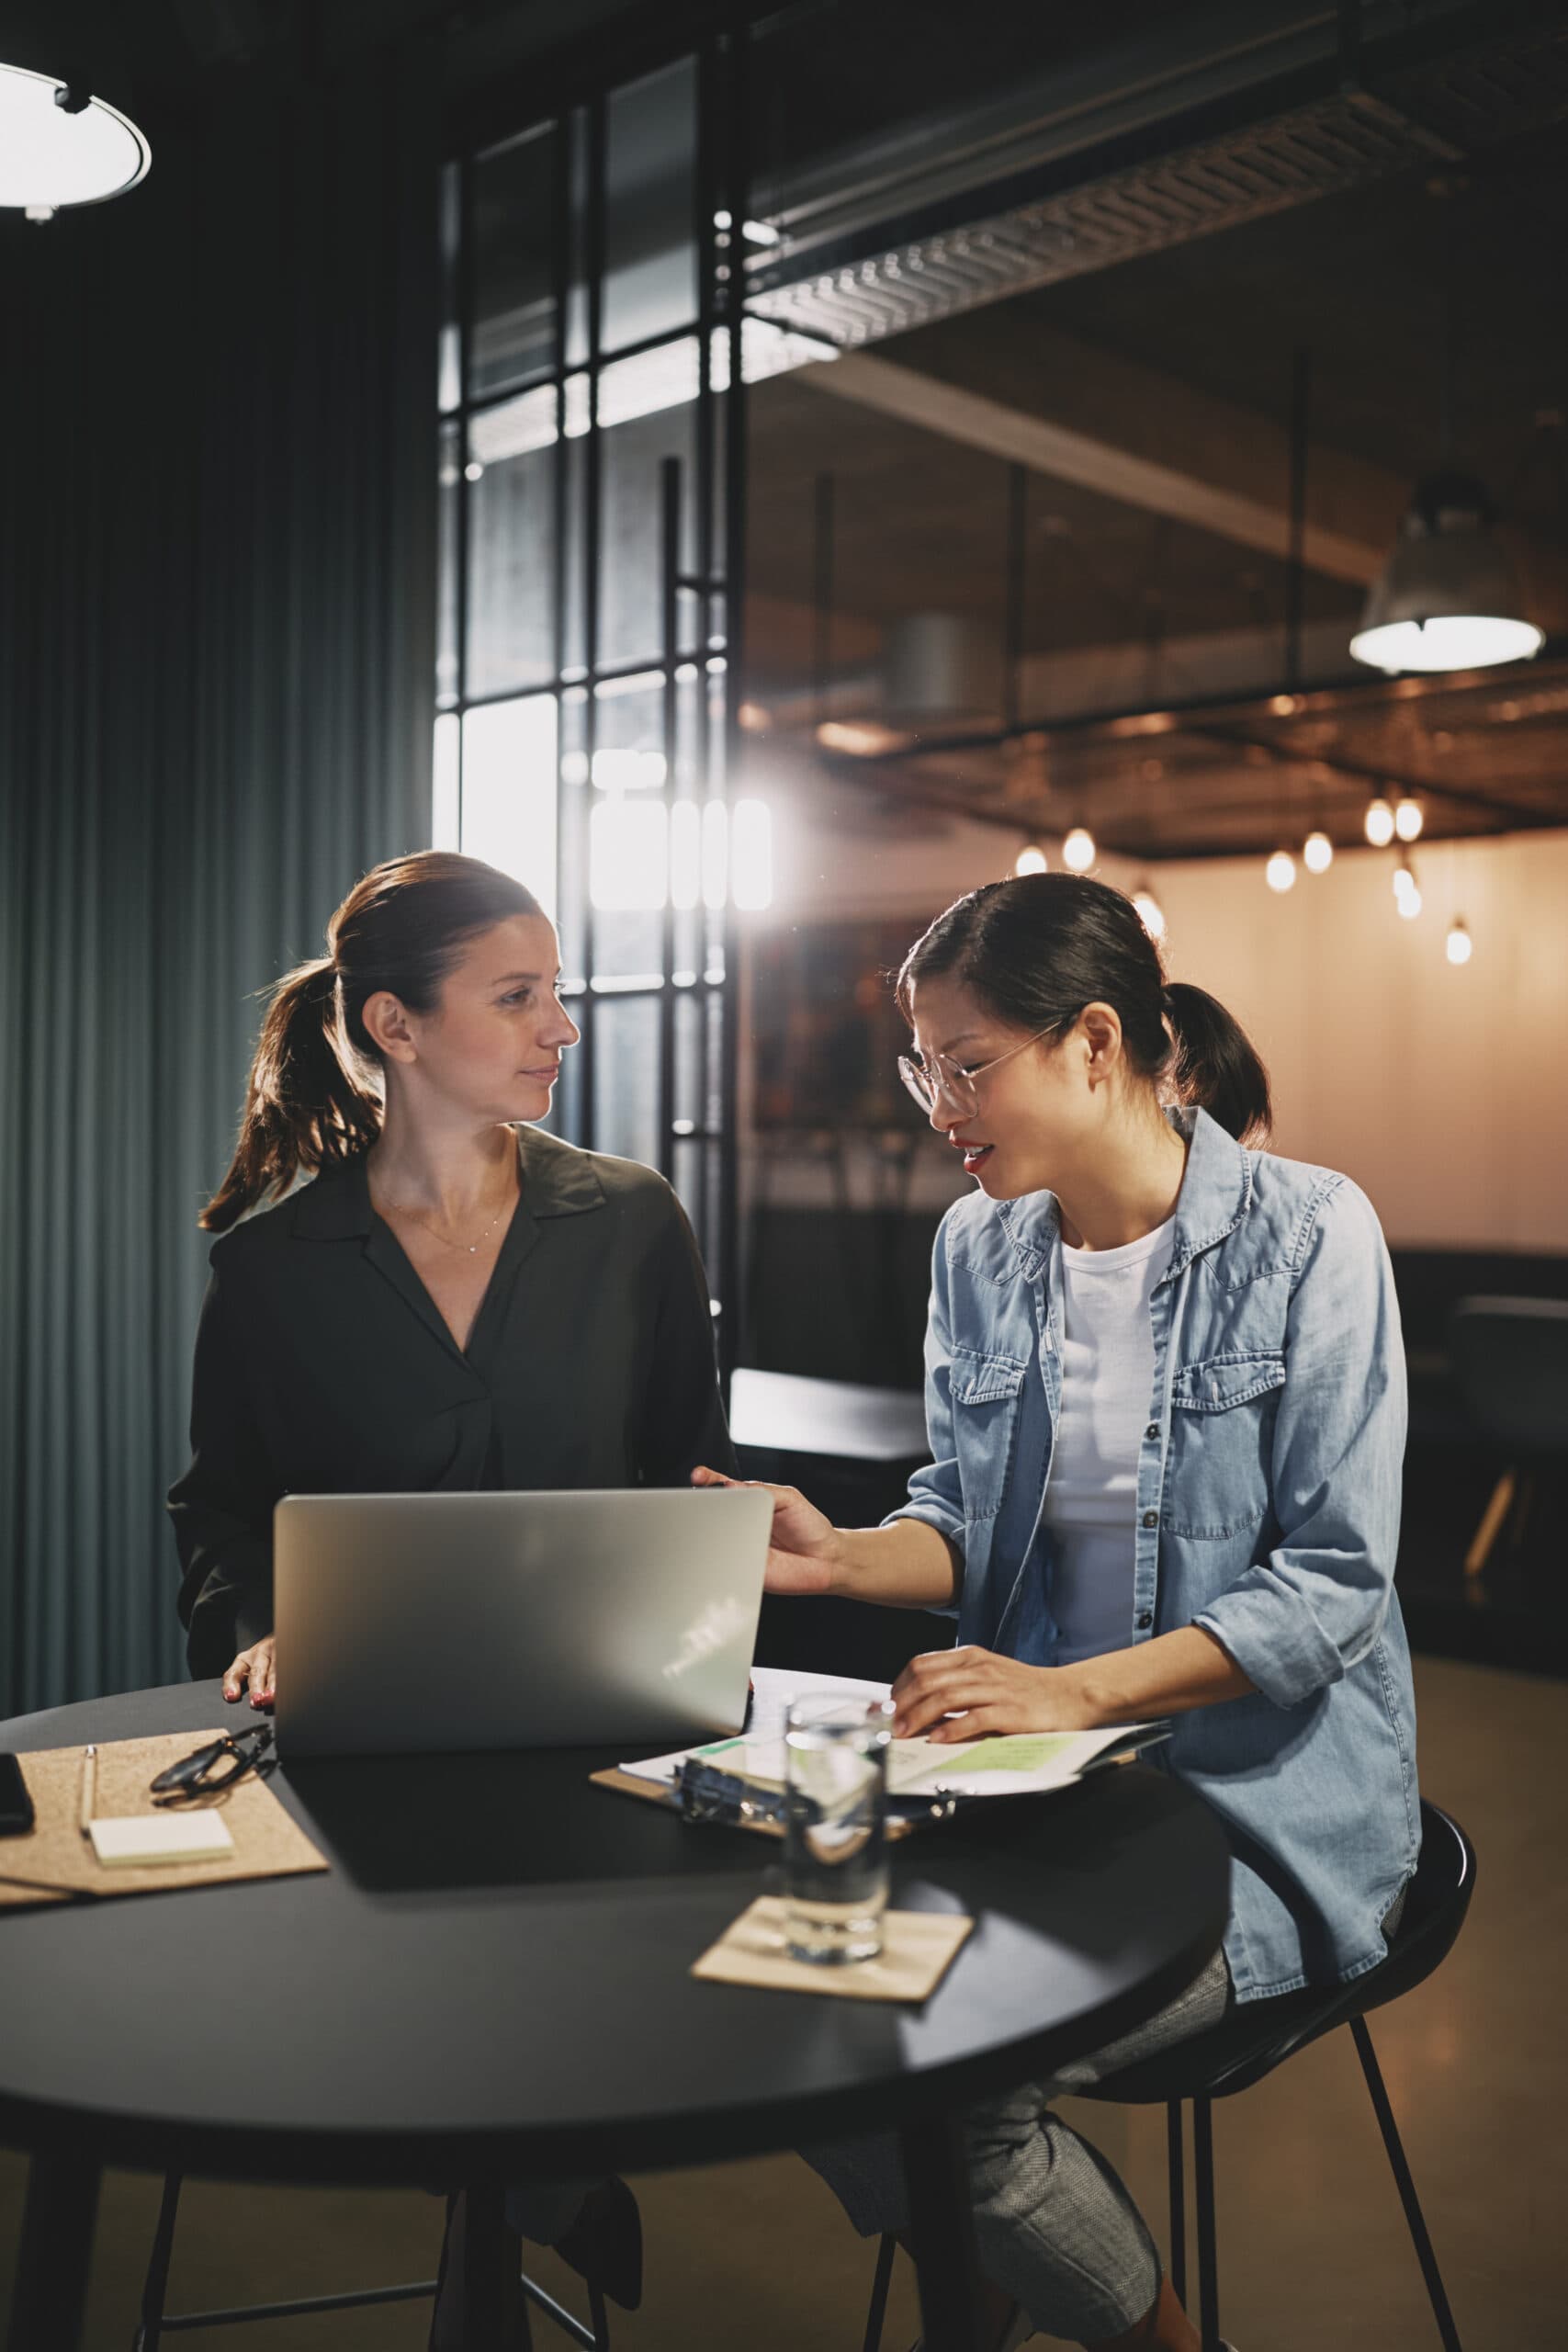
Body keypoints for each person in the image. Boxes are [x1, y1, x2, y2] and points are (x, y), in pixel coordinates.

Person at [694, 872, 1417, 2352]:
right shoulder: (983, 1249)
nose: (937, 1107)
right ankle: (1014, 2274)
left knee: (947, 2089)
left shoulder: (1311, 1234)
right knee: (782, 2002)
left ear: (1095, 1044)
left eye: (968, 1066)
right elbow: (965, 1518)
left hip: (1252, 1809)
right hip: (1035, 1785)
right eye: (922, 1067)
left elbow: (1334, 1587)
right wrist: (839, 1559)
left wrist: (1073, 1695)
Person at [168, 847, 734, 2345]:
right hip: (363, 1760)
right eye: (520, 994)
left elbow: (690, 1482)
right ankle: (525, 2182)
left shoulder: (635, 1225)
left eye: (559, 992)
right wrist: (257, 1631)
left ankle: (526, 2177)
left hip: (603, 1759)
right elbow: (221, 1508)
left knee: (538, 2041)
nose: (564, 1025)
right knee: (456, 2055)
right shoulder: (274, 1271)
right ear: (394, 1026)